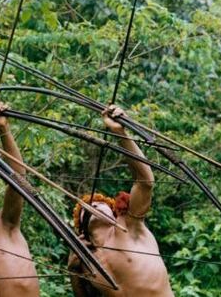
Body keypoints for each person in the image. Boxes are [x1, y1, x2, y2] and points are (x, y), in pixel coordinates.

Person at [68, 105, 173, 297]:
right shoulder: (86, 261)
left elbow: (145, 182)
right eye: (86, 209)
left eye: (99, 204)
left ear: (114, 212)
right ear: (82, 229)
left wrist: (120, 132)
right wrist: (74, 272)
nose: (93, 206)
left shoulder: (129, 225)